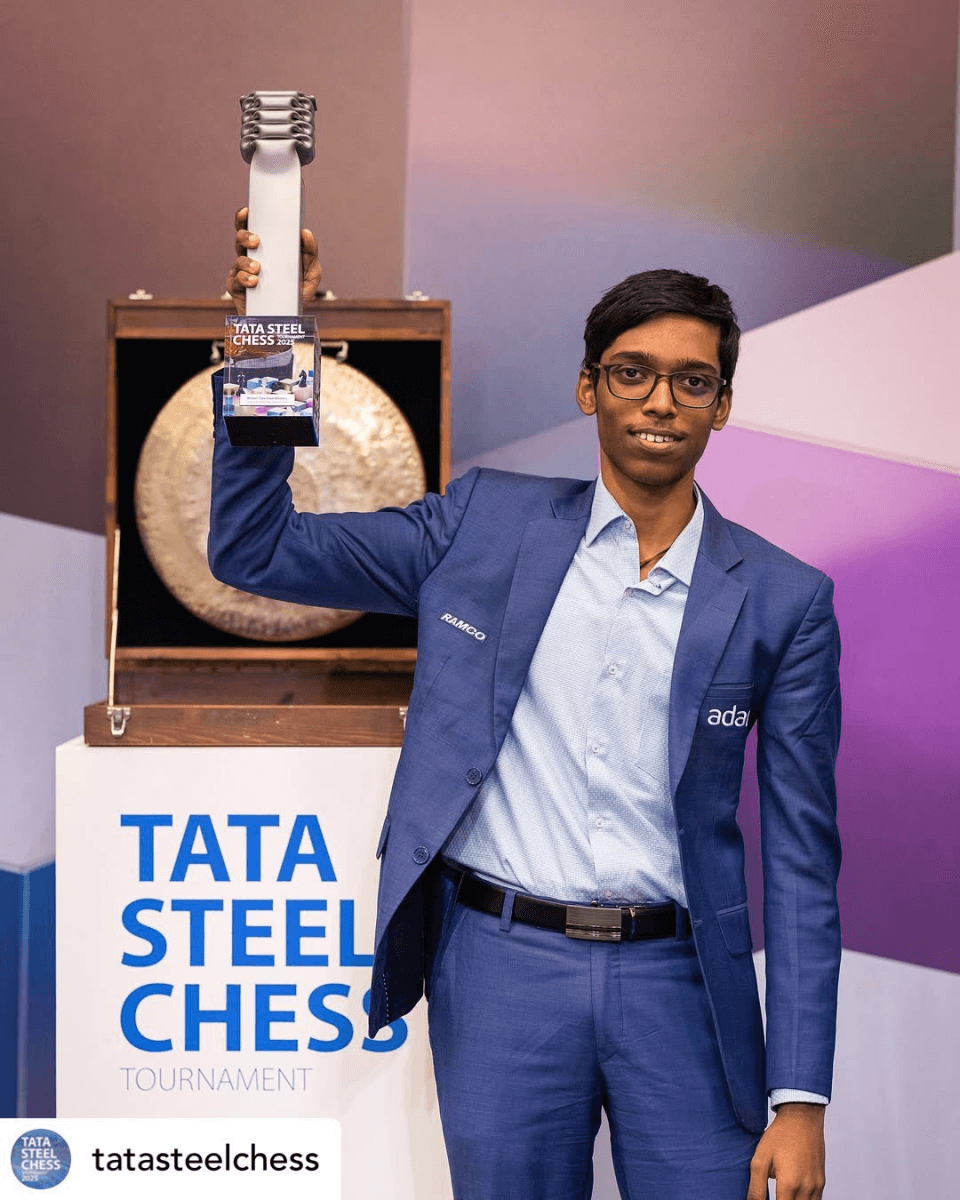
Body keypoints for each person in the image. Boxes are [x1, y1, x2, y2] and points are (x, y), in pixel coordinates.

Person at [212, 212, 841, 1200]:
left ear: (722, 406)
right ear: (588, 387)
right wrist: (272, 332)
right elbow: (257, 546)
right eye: (632, 372)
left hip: (683, 987)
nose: (661, 400)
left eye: (693, 381)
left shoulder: (784, 599)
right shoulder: (483, 525)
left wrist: (800, 1099)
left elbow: (801, 865)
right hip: (501, 972)